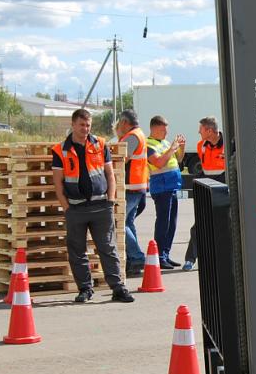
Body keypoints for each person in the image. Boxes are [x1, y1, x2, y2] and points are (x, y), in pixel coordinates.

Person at [51, 108, 135, 303]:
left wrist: (111, 200)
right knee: (77, 251)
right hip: (76, 208)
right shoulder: (60, 150)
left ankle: (118, 288)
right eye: (81, 125)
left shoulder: (100, 144)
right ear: (72, 125)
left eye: (88, 125)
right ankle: (85, 289)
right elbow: (58, 183)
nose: (85, 129)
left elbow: (110, 175)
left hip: (101, 206)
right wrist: (67, 209)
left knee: (108, 248)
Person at [182, 117, 223, 270]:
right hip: (207, 189)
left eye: (201, 129)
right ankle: (190, 259)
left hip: (225, 189)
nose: (199, 132)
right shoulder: (201, 146)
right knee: (199, 226)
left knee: (225, 225)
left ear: (210, 131)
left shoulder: (229, 146)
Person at [145, 115, 185, 269]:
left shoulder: (166, 143)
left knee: (172, 223)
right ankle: (159, 256)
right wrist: (172, 148)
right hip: (161, 188)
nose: (166, 133)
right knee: (163, 223)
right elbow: (160, 163)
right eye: (163, 130)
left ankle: (165, 254)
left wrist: (180, 148)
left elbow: (179, 160)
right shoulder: (148, 145)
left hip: (172, 186)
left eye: (167, 130)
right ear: (154, 128)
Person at [114, 109, 148, 277]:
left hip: (131, 186)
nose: (119, 126)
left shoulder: (132, 136)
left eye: (120, 123)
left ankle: (136, 257)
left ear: (125, 123)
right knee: (128, 222)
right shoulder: (138, 134)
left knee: (119, 222)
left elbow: (122, 158)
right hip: (137, 185)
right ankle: (133, 259)